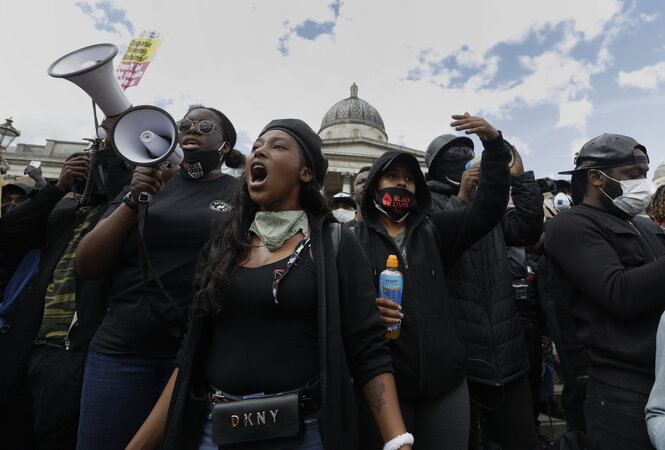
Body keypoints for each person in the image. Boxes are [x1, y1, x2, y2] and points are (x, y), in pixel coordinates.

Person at [127, 118, 412, 450]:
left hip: (303, 432)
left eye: (278, 146)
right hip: (216, 431)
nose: (260, 150)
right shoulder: (222, 247)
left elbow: (369, 351)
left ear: (306, 172)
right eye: (256, 146)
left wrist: (398, 442)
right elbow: (189, 356)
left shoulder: (335, 244)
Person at [74, 105, 238, 450]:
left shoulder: (240, 194)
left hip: (195, 356)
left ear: (225, 147)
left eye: (205, 125)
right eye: (183, 124)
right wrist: (134, 201)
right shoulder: (149, 183)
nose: (191, 129)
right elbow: (87, 264)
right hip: (122, 349)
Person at [353, 113, 511, 449]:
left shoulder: (437, 230)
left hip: (446, 383)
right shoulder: (349, 240)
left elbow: (489, 208)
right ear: (373, 186)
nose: (402, 183)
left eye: (410, 179)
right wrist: (367, 312)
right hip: (385, 382)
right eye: (392, 176)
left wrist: (495, 147)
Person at [0, 125, 130, 449]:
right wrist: (58, 189)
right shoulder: (63, 209)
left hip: (71, 355)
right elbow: (9, 233)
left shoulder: (122, 212)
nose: (92, 164)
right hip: (26, 345)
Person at [545, 133, 665, 449]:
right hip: (623, 391)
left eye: (644, 174)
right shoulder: (571, 226)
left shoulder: (645, 227)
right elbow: (619, 293)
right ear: (596, 177)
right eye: (632, 175)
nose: (643, 183)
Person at [424, 133, 542, 448]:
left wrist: (520, 180)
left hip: (508, 350)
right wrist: (462, 196)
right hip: (462, 358)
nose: (465, 155)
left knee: (522, 438)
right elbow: (436, 244)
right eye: (454, 152)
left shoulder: (490, 205)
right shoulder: (425, 204)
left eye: (469, 150)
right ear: (437, 165)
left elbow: (527, 230)